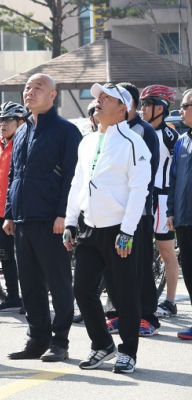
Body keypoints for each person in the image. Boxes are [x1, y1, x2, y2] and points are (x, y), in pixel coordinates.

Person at [66, 82, 151, 374]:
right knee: (82, 289)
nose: (98, 101)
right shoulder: (86, 141)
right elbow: (78, 182)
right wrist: (69, 222)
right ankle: (102, 344)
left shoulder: (133, 142)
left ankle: (128, 351)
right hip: (89, 227)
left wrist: (127, 231)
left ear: (123, 108)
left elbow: (140, 189)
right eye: (98, 97)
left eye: (107, 97)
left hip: (120, 231)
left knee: (124, 293)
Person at [4, 73, 81, 362]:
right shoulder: (22, 130)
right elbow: (14, 175)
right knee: (31, 284)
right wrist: (10, 213)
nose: (30, 92)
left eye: (38, 88)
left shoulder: (66, 131)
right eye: (27, 87)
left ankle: (60, 341)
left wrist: (64, 215)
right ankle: (37, 339)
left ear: (53, 95)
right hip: (23, 219)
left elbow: (73, 177)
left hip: (51, 220)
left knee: (59, 282)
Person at [102, 83, 160, 337]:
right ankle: (115, 314)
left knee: (140, 265)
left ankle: (147, 317)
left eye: (109, 98)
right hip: (108, 214)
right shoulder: (106, 131)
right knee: (113, 266)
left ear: (128, 104)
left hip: (137, 213)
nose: (102, 102)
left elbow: (146, 176)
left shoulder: (144, 132)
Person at [139, 85, 180, 322]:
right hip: (143, 197)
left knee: (166, 252)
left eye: (148, 103)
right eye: (142, 103)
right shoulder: (138, 131)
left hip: (163, 198)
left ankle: (171, 301)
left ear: (161, 107)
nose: (143, 108)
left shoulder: (171, 135)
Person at [0, 102, 26, 312]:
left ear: (21, 122)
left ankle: (29, 299)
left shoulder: (25, 143)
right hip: (1, 211)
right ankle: (12, 297)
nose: (2, 124)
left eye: (8, 119)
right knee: (6, 255)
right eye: (0, 120)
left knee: (26, 258)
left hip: (21, 211)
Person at [167, 88, 192, 340]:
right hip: (184, 218)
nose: (180, 110)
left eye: (185, 106)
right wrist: (172, 211)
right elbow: (174, 181)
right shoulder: (182, 141)